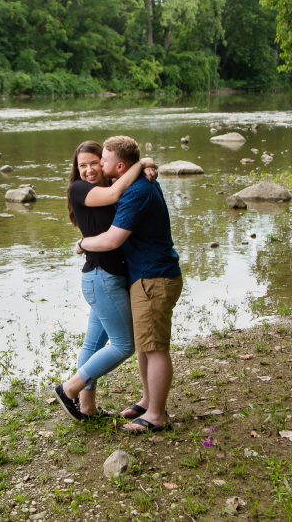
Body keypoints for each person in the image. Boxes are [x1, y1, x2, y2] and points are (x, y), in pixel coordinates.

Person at [77, 135, 182, 433]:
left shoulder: (136, 191)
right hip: (146, 275)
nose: (98, 165)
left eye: (103, 160)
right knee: (145, 346)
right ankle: (149, 401)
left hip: (154, 277)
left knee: (156, 347)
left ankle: (157, 415)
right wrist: (145, 163)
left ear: (120, 166)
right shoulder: (132, 183)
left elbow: (113, 239)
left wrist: (83, 243)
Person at [53, 141, 156, 421]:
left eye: (93, 163)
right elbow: (113, 193)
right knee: (125, 345)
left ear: (105, 162)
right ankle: (69, 388)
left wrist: (144, 166)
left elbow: (120, 185)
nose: (87, 170)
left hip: (105, 279)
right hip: (102, 279)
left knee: (93, 344)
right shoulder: (80, 189)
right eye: (81, 165)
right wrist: (141, 162)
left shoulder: (114, 180)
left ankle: (87, 408)